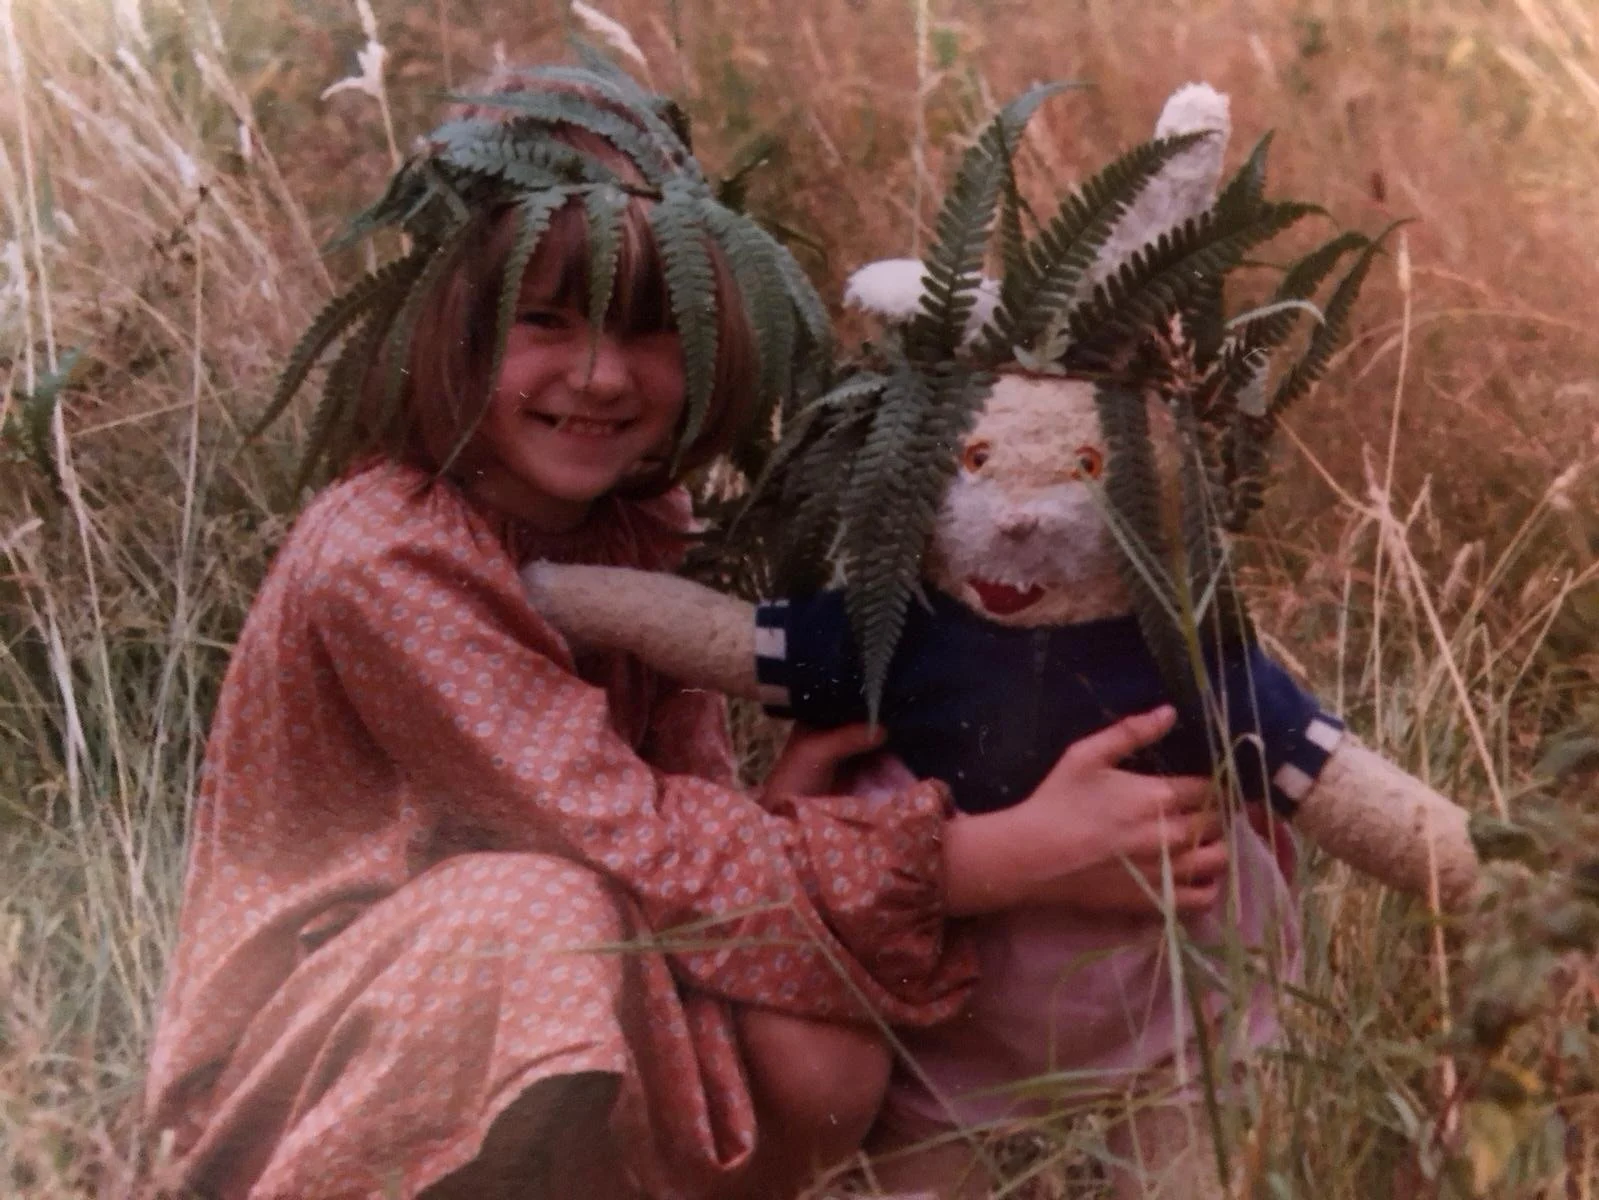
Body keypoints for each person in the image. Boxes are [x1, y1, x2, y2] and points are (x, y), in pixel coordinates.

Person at [141, 63, 1231, 1200]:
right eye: (545, 322)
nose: (602, 376)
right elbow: (629, 843)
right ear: (448, 325)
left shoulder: (637, 520)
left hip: (591, 953)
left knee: (821, 1041)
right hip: (319, 1050)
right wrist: (985, 862)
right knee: (531, 917)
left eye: (654, 329)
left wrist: (801, 792)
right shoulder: (385, 556)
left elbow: (681, 843)